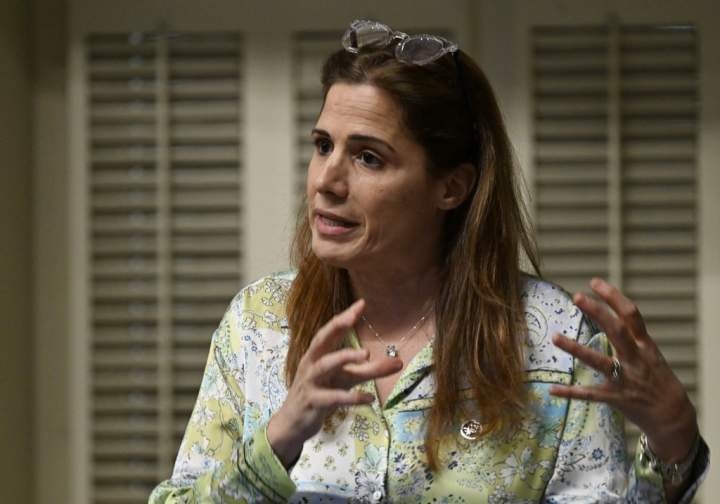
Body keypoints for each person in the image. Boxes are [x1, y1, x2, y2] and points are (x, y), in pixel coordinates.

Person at [149, 19, 708, 503]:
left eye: (368, 157)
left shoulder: (554, 339)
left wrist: (674, 440)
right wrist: (278, 440)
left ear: (451, 187)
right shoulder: (258, 323)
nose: (326, 181)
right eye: (323, 146)